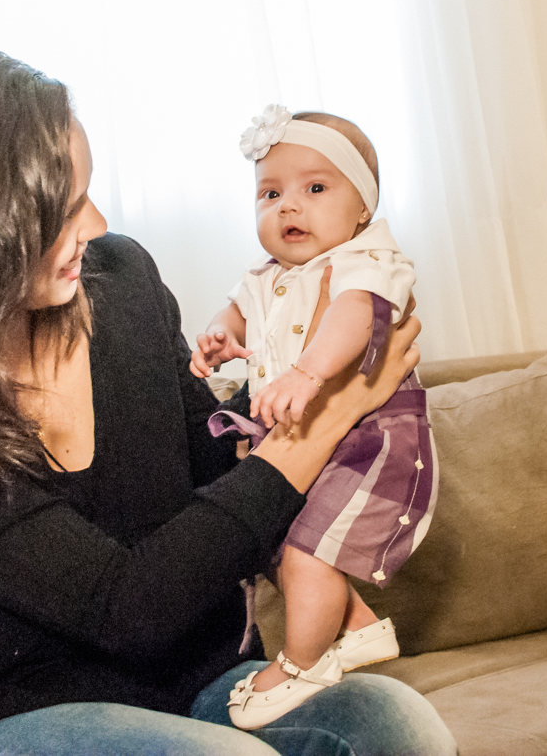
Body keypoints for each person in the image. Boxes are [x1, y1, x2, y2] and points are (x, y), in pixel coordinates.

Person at [0, 49, 456, 756]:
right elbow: (126, 607)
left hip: (191, 686)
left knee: (393, 722)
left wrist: (316, 368)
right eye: (66, 206)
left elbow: (220, 478)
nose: (97, 222)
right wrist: (329, 415)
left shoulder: (121, 280)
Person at [190, 106, 438, 729]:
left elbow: (354, 315)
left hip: (371, 442)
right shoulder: (265, 280)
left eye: (315, 188)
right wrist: (219, 341)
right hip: (304, 443)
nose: (288, 207)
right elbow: (234, 318)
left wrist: (308, 372)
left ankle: (303, 666)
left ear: (363, 209)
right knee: (274, 546)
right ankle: (357, 627)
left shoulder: (367, 261)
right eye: (270, 194)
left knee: (307, 554)